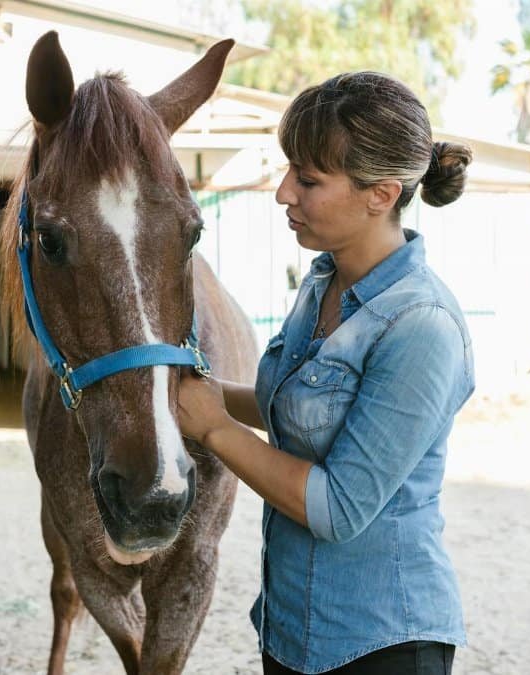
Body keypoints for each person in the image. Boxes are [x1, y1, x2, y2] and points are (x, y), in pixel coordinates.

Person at [176, 71, 476, 675]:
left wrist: (214, 430)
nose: (284, 192)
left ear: (381, 194)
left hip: (379, 644)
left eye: (308, 179)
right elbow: (296, 404)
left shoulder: (421, 326)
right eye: (289, 170)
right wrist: (202, 391)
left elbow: (339, 508)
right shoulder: (323, 282)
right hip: (295, 627)